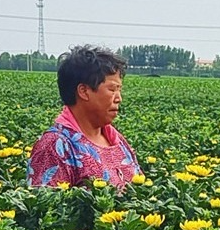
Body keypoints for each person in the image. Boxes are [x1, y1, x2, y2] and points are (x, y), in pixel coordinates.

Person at [27, 45, 142, 189]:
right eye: (112, 89)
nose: (119, 98)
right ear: (84, 91)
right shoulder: (54, 146)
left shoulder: (116, 139)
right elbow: (46, 207)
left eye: (119, 90)